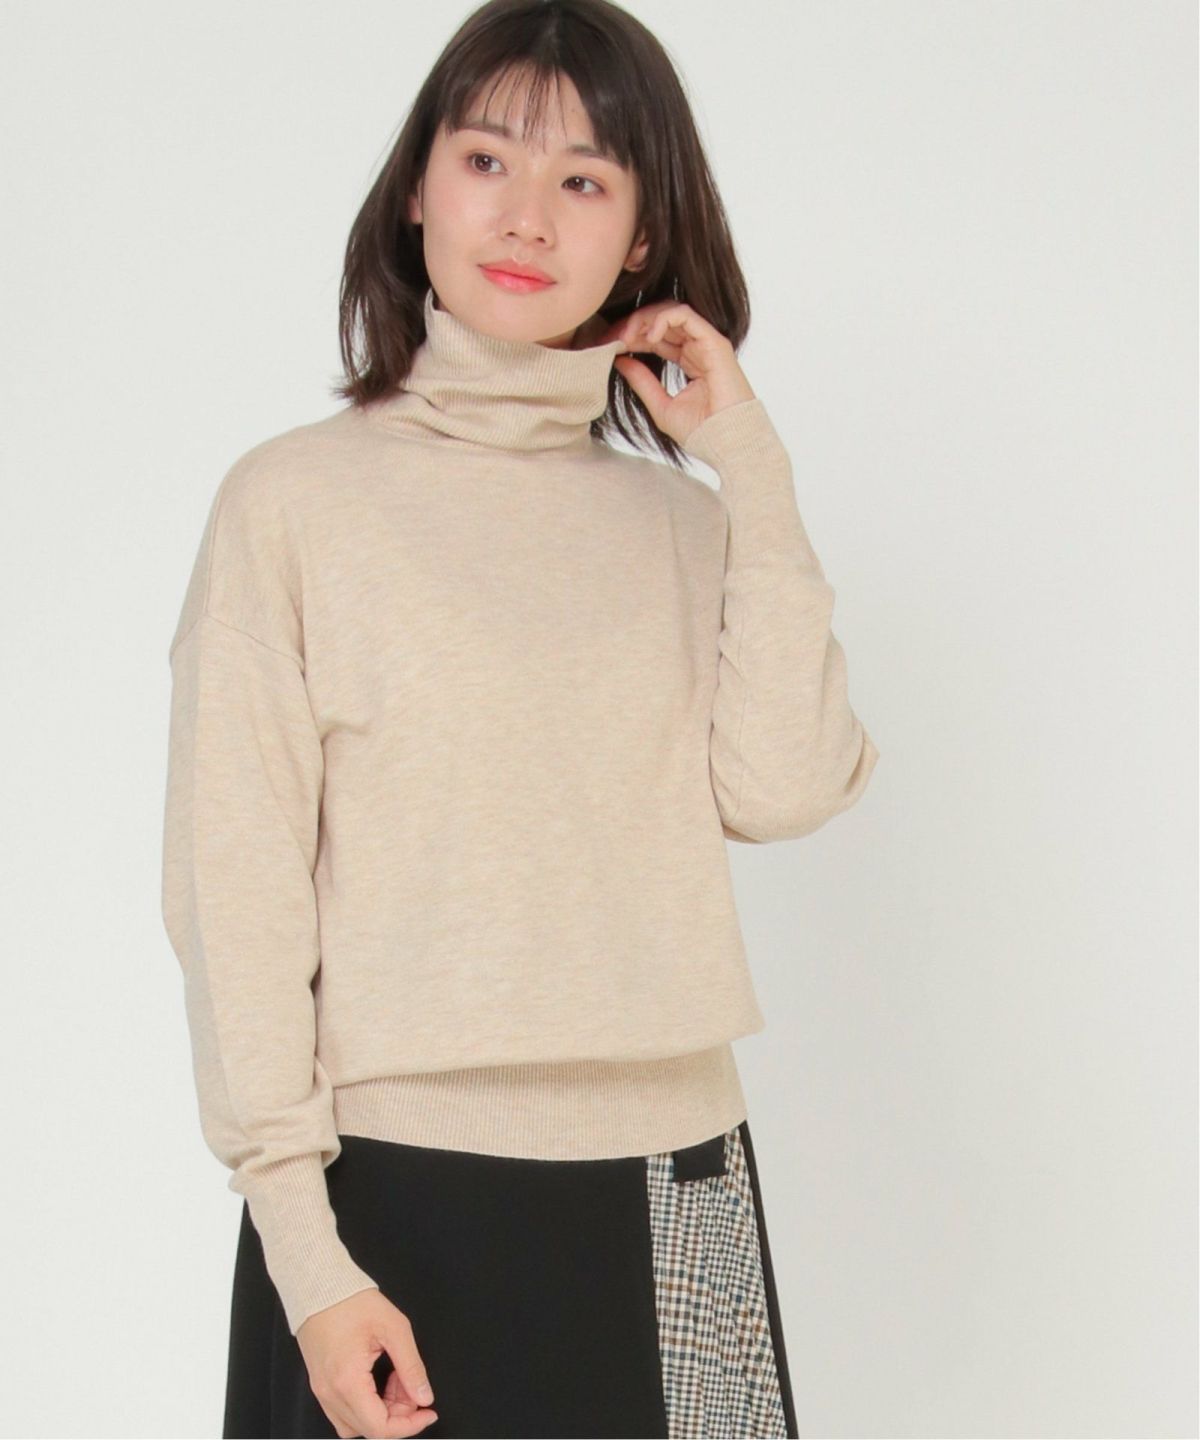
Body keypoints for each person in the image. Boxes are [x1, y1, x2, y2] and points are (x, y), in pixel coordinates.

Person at [160, 1, 880, 1436]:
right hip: (390, 1194)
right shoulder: (292, 505)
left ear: (644, 238)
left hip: (682, 1178)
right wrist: (305, 1250)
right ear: (417, 189)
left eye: (585, 180)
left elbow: (786, 786)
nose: (527, 218)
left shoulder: (686, 527)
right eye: (487, 160)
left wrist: (751, 469)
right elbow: (233, 894)